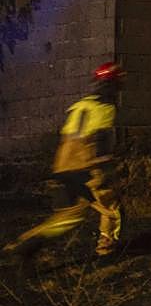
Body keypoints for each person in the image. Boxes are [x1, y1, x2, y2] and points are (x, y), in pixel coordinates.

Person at [4, 62, 126, 265]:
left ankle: (24, 246)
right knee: (113, 207)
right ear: (114, 84)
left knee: (69, 217)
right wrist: (104, 171)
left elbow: (66, 137)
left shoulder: (81, 105)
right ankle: (106, 252)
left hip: (63, 167)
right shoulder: (105, 107)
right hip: (86, 167)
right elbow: (100, 141)